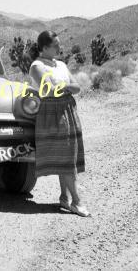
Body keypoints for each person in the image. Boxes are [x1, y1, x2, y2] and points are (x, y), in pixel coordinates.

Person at [28, 30, 90, 217]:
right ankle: (77, 202)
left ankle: (64, 197)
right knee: (65, 158)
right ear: (45, 47)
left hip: (68, 112)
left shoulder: (61, 64)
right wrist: (66, 87)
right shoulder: (37, 66)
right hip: (52, 115)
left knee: (68, 156)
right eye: (56, 45)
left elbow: (77, 87)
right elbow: (48, 91)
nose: (60, 47)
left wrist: (62, 88)